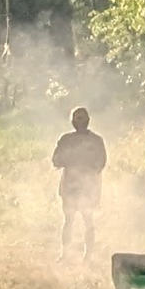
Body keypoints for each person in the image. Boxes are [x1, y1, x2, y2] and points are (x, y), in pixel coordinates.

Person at [51, 107, 108, 256]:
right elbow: (55, 161)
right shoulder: (66, 139)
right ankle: (65, 254)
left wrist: (83, 167)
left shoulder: (96, 141)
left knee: (88, 220)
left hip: (89, 187)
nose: (80, 121)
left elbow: (101, 163)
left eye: (82, 118)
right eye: (77, 118)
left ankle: (88, 256)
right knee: (68, 219)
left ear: (88, 120)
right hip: (69, 185)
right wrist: (72, 159)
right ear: (72, 121)